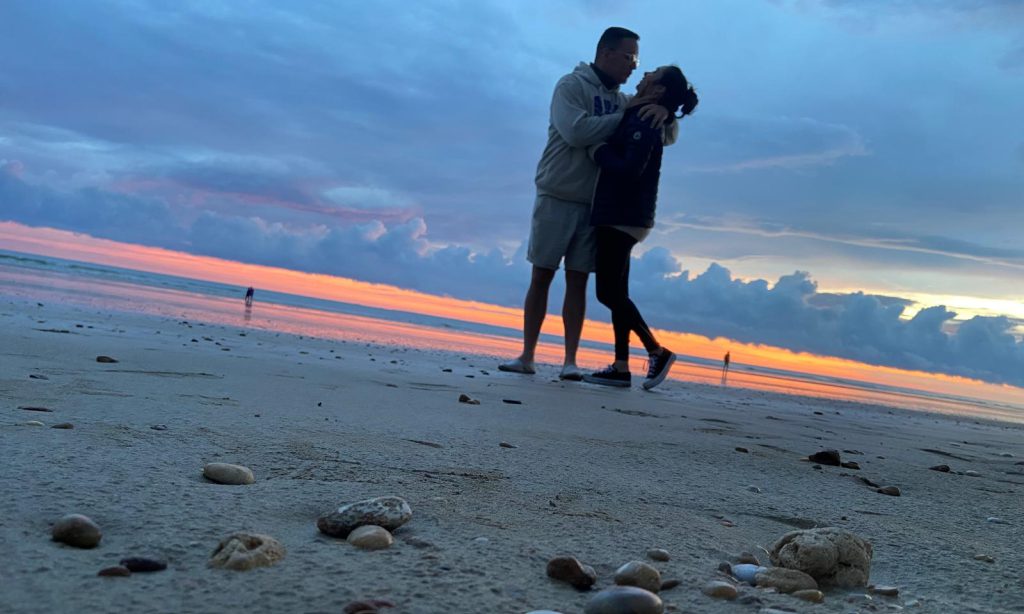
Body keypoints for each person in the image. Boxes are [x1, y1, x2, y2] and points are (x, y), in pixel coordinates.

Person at [500, 27, 675, 381]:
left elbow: (666, 136)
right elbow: (576, 132)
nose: (633, 66)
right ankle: (527, 355)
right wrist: (627, 116)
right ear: (606, 53)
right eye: (629, 57)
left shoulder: (622, 100)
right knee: (542, 273)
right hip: (556, 192)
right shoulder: (571, 86)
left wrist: (664, 112)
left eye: (637, 59)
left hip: (594, 205)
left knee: (578, 279)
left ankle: (570, 361)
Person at [582, 65, 698, 390]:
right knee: (619, 295)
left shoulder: (644, 120)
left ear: (658, 90)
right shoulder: (638, 112)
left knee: (607, 293)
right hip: (625, 214)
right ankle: (621, 367)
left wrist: (598, 151)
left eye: (653, 73)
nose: (645, 73)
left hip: (623, 215)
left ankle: (657, 351)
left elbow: (629, 169)